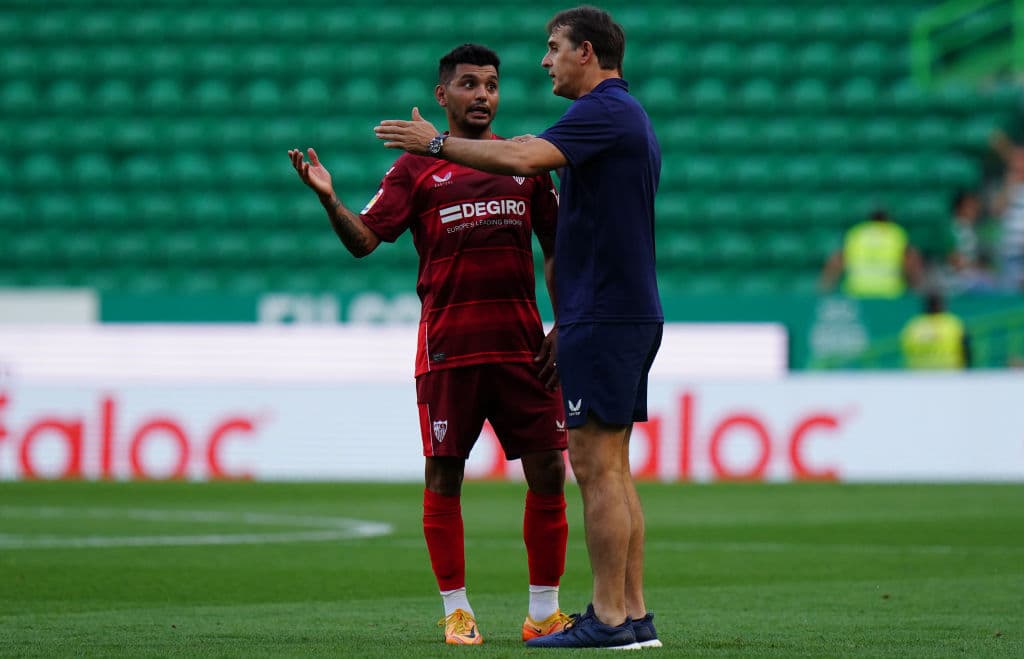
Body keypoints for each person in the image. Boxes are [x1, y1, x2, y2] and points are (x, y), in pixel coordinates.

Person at [375, 7, 663, 650]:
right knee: (611, 467)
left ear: (586, 52)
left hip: (604, 312)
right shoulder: (623, 114)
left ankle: (611, 619)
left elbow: (524, 157)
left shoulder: (604, 111)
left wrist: (436, 145)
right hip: (614, 310)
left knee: (594, 469)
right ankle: (633, 615)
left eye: (554, 47)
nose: (545, 60)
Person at [288, 44, 572, 646]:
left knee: (549, 471)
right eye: (469, 85)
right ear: (442, 96)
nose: (483, 96)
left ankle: (543, 611)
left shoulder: (524, 162)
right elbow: (366, 241)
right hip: (449, 351)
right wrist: (328, 198)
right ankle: (457, 610)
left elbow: (558, 249)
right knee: (444, 474)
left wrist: (564, 322)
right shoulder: (414, 171)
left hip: (525, 349)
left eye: (491, 85)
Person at [819, 207, 925, 298]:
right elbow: (911, 261)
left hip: (857, 291)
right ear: (888, 219)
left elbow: (837, 259)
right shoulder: (896, 233)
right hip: (889, 292)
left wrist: (825, 287)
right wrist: (917, 287)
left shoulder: (856, 233)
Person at [900, 291, 971, 369]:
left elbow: (905, 348)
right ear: (941, 305)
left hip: (918, 374)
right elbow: (966, 350)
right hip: (949, 375)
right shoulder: (952, 323)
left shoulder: (913, 325)